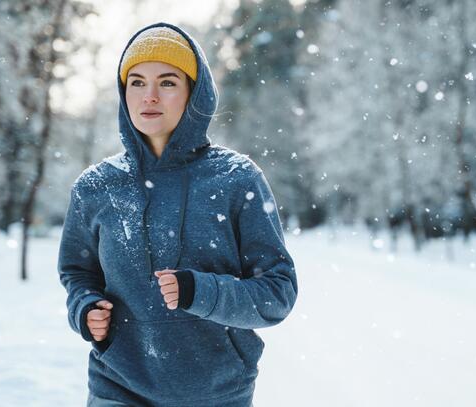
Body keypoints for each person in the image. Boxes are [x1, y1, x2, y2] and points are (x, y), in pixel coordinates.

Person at [57, 22, 298, 407]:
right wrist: (84, 309)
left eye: (167, 82)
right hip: (118, 388)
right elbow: (77, 273)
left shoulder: (237, 179)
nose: (149, 96)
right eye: (136, 82)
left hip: (217, 393)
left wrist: (201, 291)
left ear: (194, 93)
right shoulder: (95, 187)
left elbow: (277, 292)